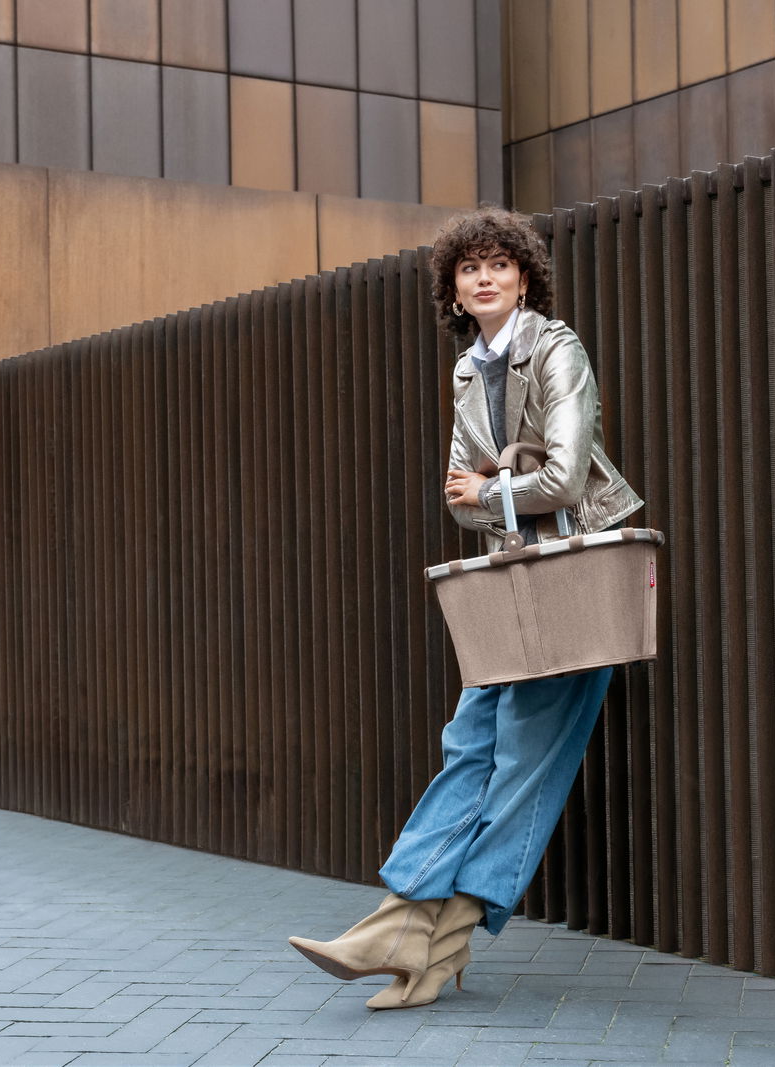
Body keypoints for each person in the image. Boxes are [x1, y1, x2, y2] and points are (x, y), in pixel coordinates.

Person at [288, 205, 644, 1010]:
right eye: (469, 268)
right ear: (452, 288)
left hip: (576, 577)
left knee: (525, 757)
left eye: (499, 264)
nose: (484, 277)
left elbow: (562, 475)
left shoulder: (555, 348)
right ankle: (407, 919)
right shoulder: (465, 373)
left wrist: (492, 490)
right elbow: (458, 502)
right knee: (470, 738)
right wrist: (490, 496)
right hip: (514, 577)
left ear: (524, 276)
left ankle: (431, 939)